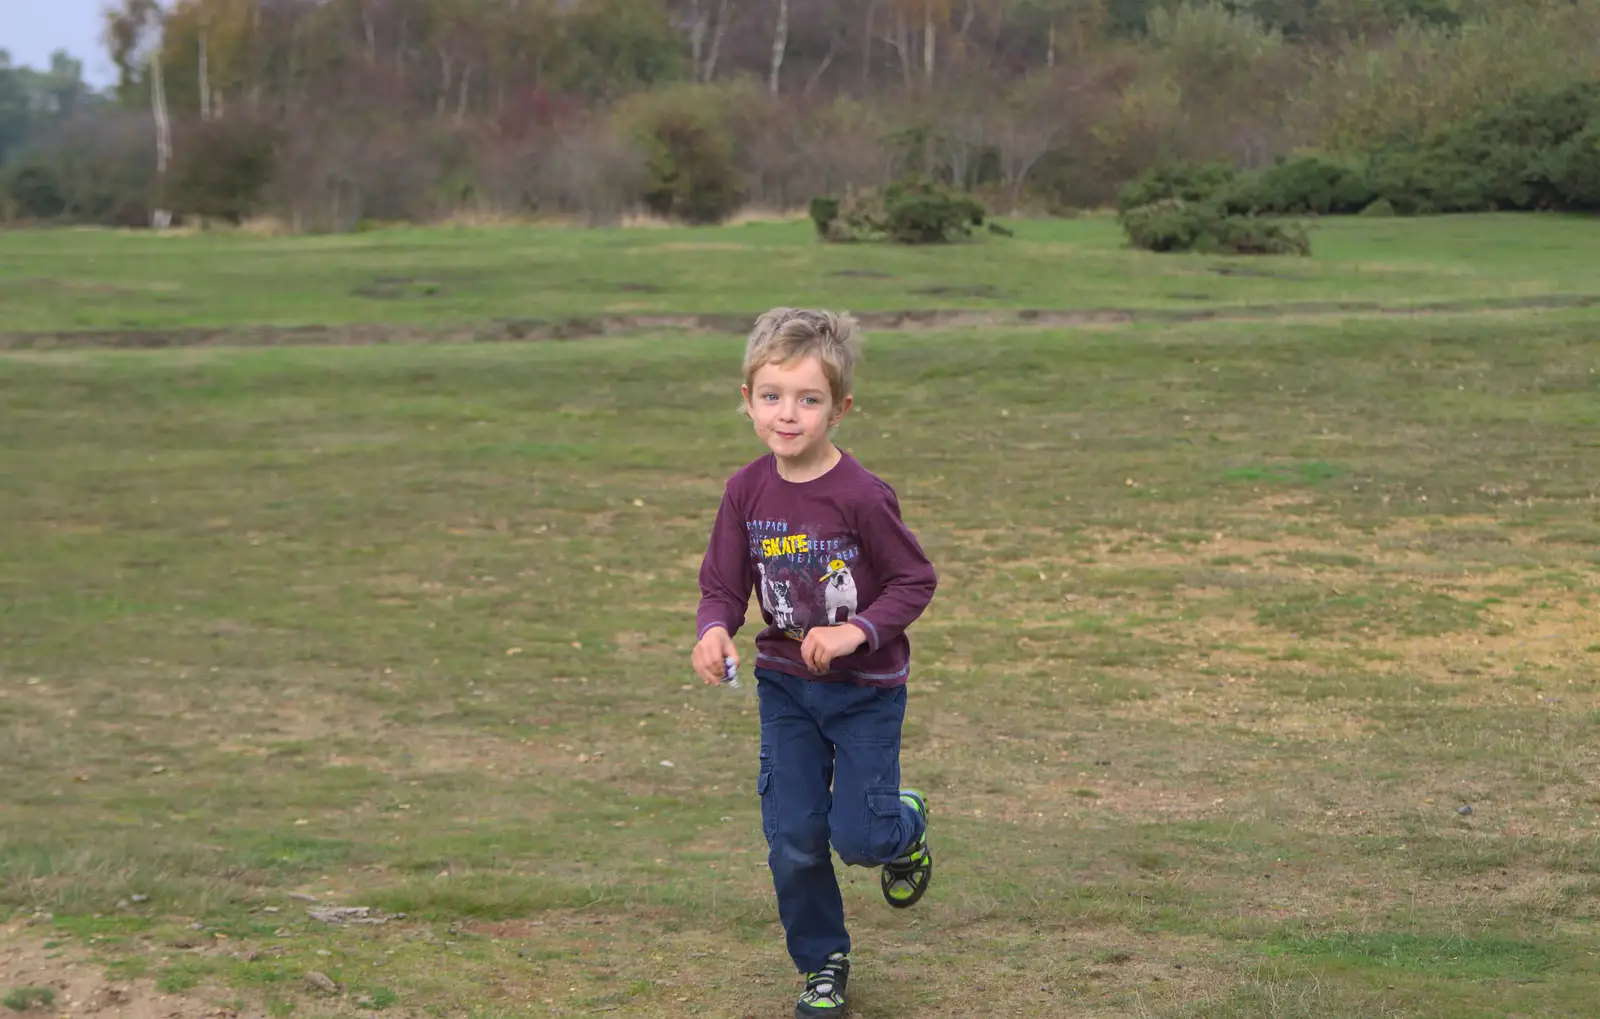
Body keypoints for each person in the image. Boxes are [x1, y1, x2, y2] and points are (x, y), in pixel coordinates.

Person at [691, 308, 938, 1017]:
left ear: (841, 406)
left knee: (858, 840)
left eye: (809, 398)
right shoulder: (745, 492)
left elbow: (913, 581)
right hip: (787, 689)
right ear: (747, 400)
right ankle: (823, 963)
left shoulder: (861, 495)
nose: (788, 414)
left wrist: (857, 631)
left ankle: (905, 823)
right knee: (794, 837)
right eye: (771, 396)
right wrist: (714, 630)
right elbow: (722, 585)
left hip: (865, 692)